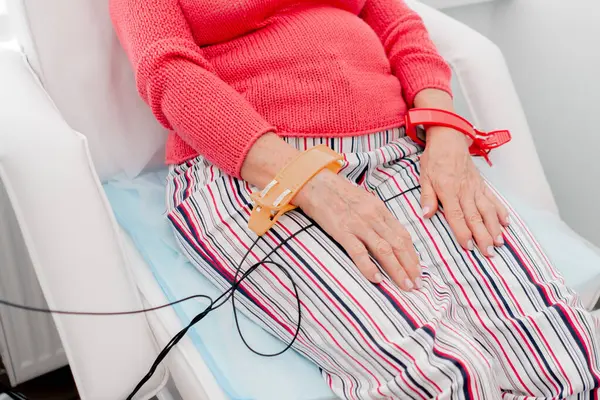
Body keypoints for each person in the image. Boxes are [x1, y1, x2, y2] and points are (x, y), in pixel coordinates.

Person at [110, 0, 600, 398]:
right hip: (258, 173)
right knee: (443, 373)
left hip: (400, 152)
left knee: (560, 351)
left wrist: (445, 131)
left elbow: (398, 25)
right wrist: (307, 181)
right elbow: (167, 72)